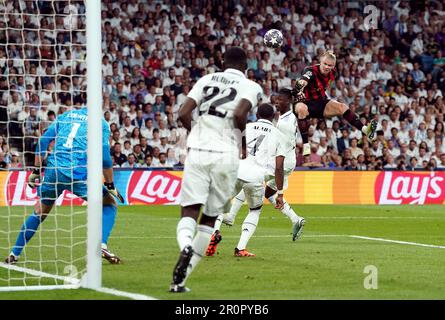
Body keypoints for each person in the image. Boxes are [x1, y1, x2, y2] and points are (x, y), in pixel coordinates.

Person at [169, 47, 263, 293]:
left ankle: (184, 246)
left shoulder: (206, 79)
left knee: (189, 210)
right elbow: (240, 114)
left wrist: (197, 133)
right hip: (226, 155)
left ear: (222, 62)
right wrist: (240, 142)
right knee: (209, 219)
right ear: (246, 65)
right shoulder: (250, 86)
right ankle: (180, 281)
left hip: (198, 151)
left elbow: (183, 112)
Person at [4, 107, 124, 265]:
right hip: (77, 174)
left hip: (53, 172)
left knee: (40, 212)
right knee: (109, 204)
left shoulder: (65, 116)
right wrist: (109, 184)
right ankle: (101, 245)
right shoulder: (100, 123)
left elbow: (43, 141)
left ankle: (14, 253)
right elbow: (105, 157)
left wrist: (36, 170)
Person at [218, 88, 305, 244]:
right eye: (276, 99)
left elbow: (274, 142)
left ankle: (231, 215)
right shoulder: (288, 116)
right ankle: (295, 219)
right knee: (264, 190)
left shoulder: (283, 123)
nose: (277, 101)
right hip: (284, 158)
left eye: (280, 99)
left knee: (251, 176)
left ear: (288, 101)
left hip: (283, 161)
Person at [206, 103, 287, 257]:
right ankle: (240, 248)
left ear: (257, 115)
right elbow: (279, 167)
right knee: (254, 210)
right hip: (255, 176)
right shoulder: (279, 135)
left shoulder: (247, 127)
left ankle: (215, 231)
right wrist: (280, 193)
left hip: (235, 171)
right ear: (273, 116)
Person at [292, 50, 377, 156]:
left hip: (320, 102)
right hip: (304, 101)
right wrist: (299, 90)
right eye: (325, 64)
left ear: (334, 66)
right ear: (320, 62)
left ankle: (366, 130)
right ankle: (306, 145)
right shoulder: (310, 70)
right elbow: (302, 81)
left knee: (342, 107)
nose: (327, 67)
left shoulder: (334, 73)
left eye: (330, 65)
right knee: (301, 109)